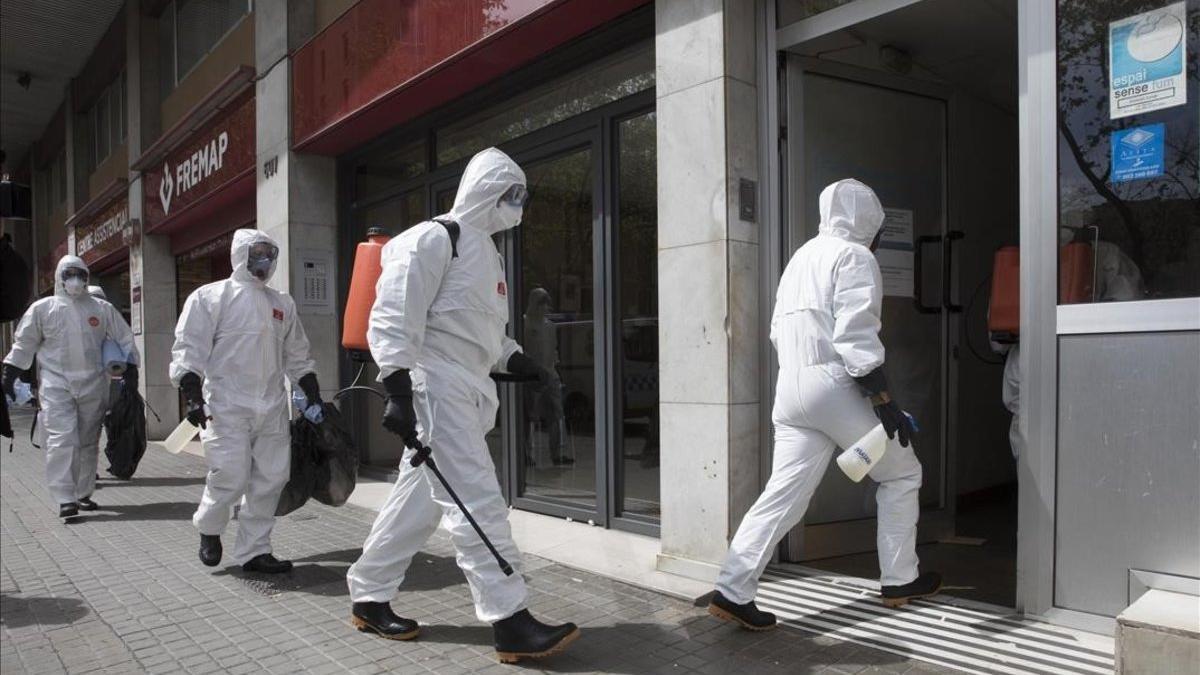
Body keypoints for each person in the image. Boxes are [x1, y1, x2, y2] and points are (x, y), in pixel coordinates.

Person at [346, 147, 579, 663]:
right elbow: (391, 319)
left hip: (468, 392)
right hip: (435, 390)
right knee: (477, 500)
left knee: (418, 502)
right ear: (486, 189)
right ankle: (510, 617)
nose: (516, 205)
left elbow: (485, 334)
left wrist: (524, 365)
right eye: (510, 194)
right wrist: (399, 392)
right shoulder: (433, 239)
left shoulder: (488, 254)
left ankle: (368, 592)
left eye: (522, 197)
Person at [708, 179, 941, 630]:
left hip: (791, 385)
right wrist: (883, 399)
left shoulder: (800, 258)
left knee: (784, 494)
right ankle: (899, 579)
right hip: (834, 383)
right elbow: (855, 333)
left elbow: (778, 329)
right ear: (867, 221)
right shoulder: (855, 256)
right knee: (902, 473)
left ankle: (733, 588)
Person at [170, 229, 322, 573]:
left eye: (270, 254)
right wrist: (192, 395)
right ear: (241, 255)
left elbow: (297, 353)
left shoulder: (281, 303)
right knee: (231, 476)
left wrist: (310, 386)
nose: (264, 261)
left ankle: (254, 551)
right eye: (257, 253)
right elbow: (188, 350)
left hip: (270, 406)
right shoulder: (210, 297)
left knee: (271, 478)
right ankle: (209, 528)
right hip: (225, 406)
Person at [2, 255, 138, 519]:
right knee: (62, 440)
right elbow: (24, 344)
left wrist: (130, 370)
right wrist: (9, 374)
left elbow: (124, 338)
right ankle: (65, 497)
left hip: (93, 383)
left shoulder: (100, 309)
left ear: (87, 277)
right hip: (57, 384)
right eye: (69, 274)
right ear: (59, 278)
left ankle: (83, 493)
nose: (75, 280)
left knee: (88, 441)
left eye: (80, 274)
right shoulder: (42, 309)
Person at [522, 287, 570, 467]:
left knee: (557, 415)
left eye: (546, 303)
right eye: (540, 303)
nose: (544, 307)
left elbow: (553, 350)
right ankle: (527, 454)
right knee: (530, 418)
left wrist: (554, 373)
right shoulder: (524, 324)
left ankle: (557, 453)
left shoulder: (551, 326)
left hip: (550, 375)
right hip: (531, 377)